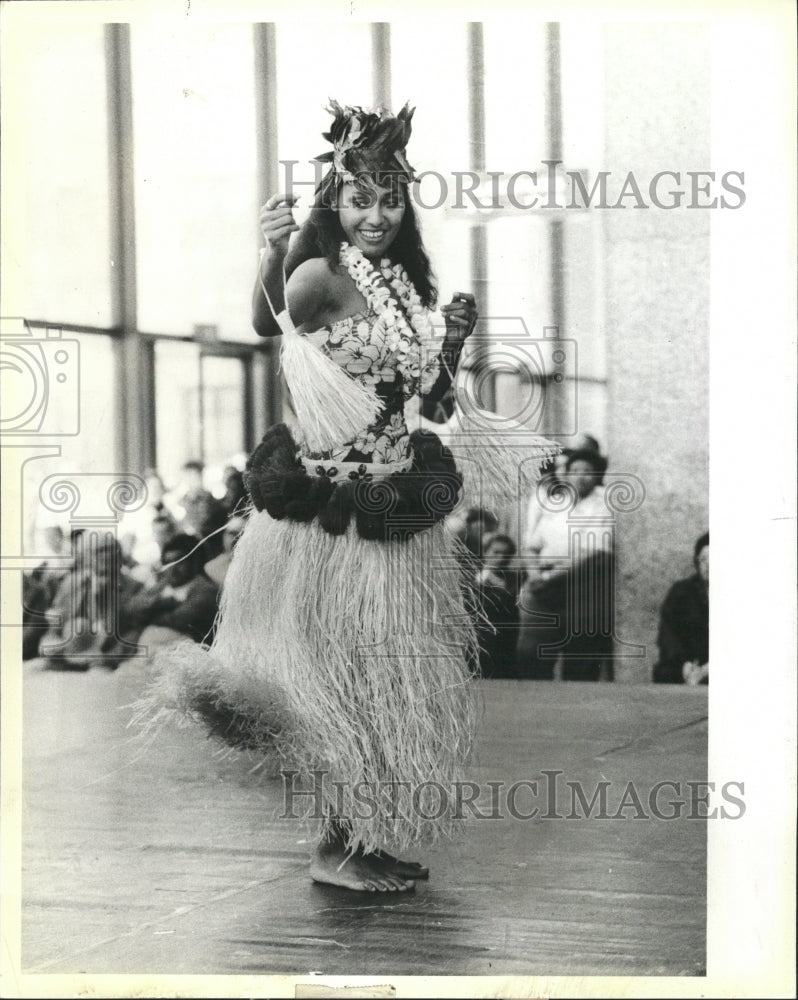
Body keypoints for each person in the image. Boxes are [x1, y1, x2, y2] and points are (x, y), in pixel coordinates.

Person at [141, 101, 553, 893]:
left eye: (390, 199)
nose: (376, 215)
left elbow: (425, 405)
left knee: (375, 682)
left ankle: (354, 839)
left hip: (392, 515)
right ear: (337, 201)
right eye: (360, 199)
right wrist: (267, 252)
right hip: (332, 525)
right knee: (335, 681)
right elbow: (266, 324)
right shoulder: (320, 277)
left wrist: (454, 344)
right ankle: (333, 851)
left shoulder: (402, 284)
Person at [517, 447, 614, 681]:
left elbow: (591, 552)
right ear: (566, 474)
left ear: (597, 475)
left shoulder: (603, 505)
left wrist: (549, 578)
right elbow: (532, 544)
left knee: (580, 662)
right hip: (542, 585)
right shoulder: (555, 502)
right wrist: (534, 574)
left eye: (588, 471)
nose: (580, 476)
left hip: (581, 587)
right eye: (575, 470)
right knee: (531, 656)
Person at [123, 533, 220, 648]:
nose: (173, 568)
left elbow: (179, 619)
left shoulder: (205, 588)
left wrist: (146, 615)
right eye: (168, 562)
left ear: (193, 562)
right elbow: (130, 608)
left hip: (183, 649)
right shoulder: (163, 585)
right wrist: (161, 603)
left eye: (179, 561)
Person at [653, 532, 709, 685]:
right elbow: (668, 633)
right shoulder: (681, 591)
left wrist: (708, 669)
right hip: (687, 663)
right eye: (704, 560)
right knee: (665, 672)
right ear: (697, 562)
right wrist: (684, 664)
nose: (709, 566)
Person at [475, 533, 520, 678]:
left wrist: (491, 579)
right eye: (496, 552)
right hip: (475, 636)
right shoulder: (471, 575)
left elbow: (510, 598)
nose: (500, 558)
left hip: (503, 638)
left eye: (505, 555)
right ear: (485, 552)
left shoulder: (514, 578)